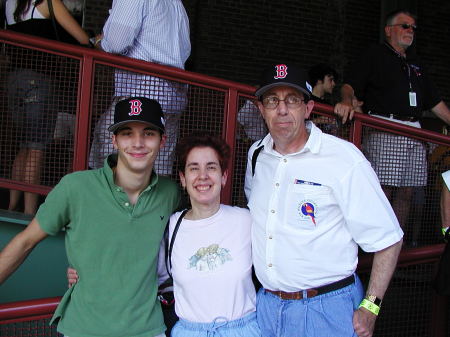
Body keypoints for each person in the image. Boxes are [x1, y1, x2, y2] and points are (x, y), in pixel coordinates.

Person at [244, 63, 404, 337]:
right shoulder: (256, 154)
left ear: (308, 108)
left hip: (327, 310)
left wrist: (371, 306)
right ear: (261, 109)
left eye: (292, 100)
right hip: (267, 308)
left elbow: (389, 238)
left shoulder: (343, 158)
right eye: (272, 100)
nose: (282, 109)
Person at [0, 97, 180, 337]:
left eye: (148, 133)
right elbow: (25, 242)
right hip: (84, 329)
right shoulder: (76, 187)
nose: (138, 143)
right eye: (127, 133)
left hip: (147, 330)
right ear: (114, 140)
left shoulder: (170, 194)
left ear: (162, 141)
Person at [69, 133, 261, 337]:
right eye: (193, 168)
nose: (202, 175)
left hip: (242, 331)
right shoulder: (170, 227)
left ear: (223, 177)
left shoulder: (246, 221)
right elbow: (135, 271)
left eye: (211, 167)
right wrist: (86, 270)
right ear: (183, 178)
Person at [336, 9, 450, 230]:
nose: (411, 30)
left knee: (407, 191)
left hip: (414, 132)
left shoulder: (416, 64)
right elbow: (350, 84)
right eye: (405, 26)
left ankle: (394, 243)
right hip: (386, 127)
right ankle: (375, 244)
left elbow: (437, 104)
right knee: (384, 190)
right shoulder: (375, 54)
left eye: (413, 27)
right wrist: (347, 101)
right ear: (389, 30)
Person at [5, 0, 90, 214]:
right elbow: (81, 38)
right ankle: (30, 213)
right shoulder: (47, 2)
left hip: (14, 80)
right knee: (36, 147)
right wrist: (96, 41)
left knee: (24, 146)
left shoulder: (10, 3)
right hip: (39, 81)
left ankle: (11, 206)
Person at [88, 0, 191, 176]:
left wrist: (99, 42)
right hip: (173, 94)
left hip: (142, 90)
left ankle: (110, 201)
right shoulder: (176, 4)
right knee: (157, 162)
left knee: (108, 147)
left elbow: (116, 43)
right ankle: (152, 203)